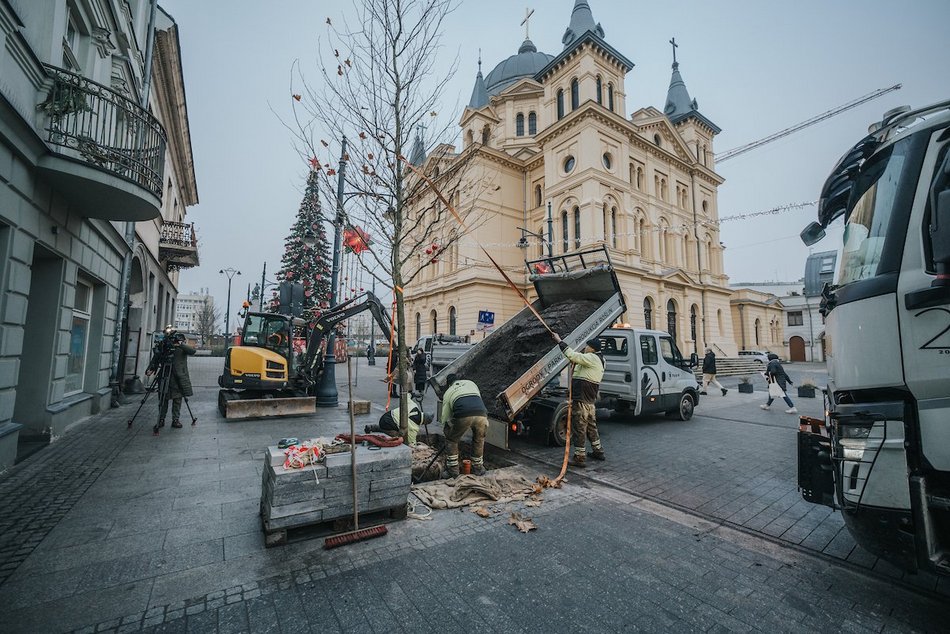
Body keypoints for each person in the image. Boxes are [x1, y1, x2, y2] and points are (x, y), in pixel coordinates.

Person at [554, 335, 606, 468]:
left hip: (582, 400)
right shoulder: (600, 360)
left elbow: (572, 355)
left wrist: (560, 341)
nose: (586, 347)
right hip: (589, 400)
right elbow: (580, 371)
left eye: (588, 346)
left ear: (592, 348)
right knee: (591, 427)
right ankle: (598, 451)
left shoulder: (592, 358)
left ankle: (579, 457)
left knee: (579, 428)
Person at [145, 325, 195, 429]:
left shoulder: (181, 347)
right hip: (165, 374)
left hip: (178, 377)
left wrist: (180, 344)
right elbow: (156, 358)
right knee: (163, 398)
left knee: (177, 399)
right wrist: (151, 368)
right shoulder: (164, 345)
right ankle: (161, 419)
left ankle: (175, 420)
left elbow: (192, 351)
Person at [439, 373, 489, 477]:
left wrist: (448, 432)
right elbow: (477, 398)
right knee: (479, 439)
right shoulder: (471, 383)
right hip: (482, 414)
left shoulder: (449, 391)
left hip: (463, 414)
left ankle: (452, 471)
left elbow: (445, 417)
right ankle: (478, 468)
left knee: (452, 440)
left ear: (449, 384)